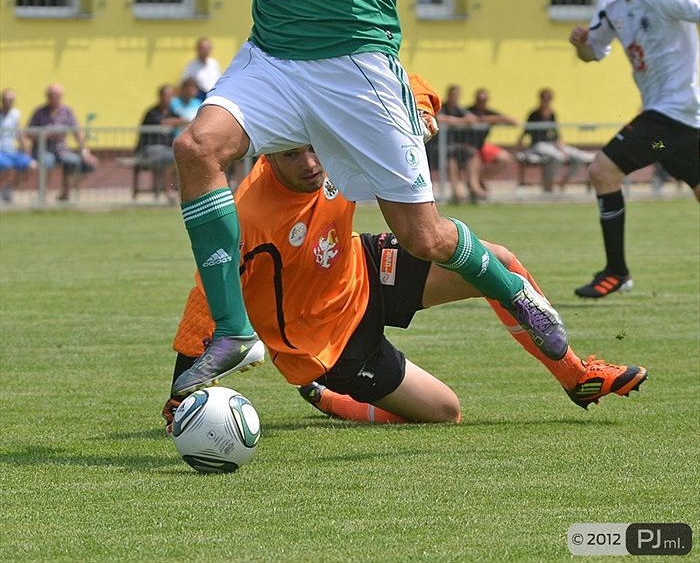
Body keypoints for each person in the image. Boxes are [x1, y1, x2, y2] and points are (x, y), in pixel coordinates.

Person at [169, 0, 569, 399]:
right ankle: (235, 334)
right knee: (195, 147)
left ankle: (515, 294)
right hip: (274, 57)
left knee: (425, 237)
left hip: (354, 65)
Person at [162, 145, 647, 428]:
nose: (312, 163)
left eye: (314, 147)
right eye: (294, 154)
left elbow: (398, 85)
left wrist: (424, 106)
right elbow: (208, 296)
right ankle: (328, 398)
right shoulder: (248, 216)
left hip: (367, 266)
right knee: (444, 412)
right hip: (330, 343)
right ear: (266, 151)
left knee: (500, 263)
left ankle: (577, 376)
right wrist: (182, 391)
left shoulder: (334, 141)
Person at [569, 0, 700, 299]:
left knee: (602, 170)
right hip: (677, 125)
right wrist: (582, 45)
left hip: (672, 116)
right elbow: (593, 53)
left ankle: (616, 271)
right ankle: (617, 271)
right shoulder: (611, 2)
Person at [26, 84, 98, 202]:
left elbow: (77, 132)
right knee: (47, 162)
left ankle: (65, 193)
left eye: (57, 95)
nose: (54, 97)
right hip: (43, 149)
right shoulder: (39, 112)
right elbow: (28, 134)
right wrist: (45, 135)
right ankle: (42, 196)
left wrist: (85, 152)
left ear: (62, 96)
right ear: (47, 96)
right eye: (52, 95)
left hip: (61, 150)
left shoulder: (67, 111)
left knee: (79, 164)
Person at [517, 88, 595, 193]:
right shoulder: (533, 114)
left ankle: (565, 181)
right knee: (558, 157)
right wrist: (520, 144)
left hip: (553, 144)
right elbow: (526, 130)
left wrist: (561, 147)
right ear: (540, 99)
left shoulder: (552, 114)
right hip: (538, 145)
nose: (546, 101)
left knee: (578, 156)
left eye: (549, 98)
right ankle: (549, 183)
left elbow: (556, 133)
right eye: (544, 98)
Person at [463, 88, 518, 193]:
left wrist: (508, 119)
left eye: (483, 100)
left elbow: (510, 121)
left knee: (505, 158)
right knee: (475, 161)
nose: (481, 102)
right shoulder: (468, 111)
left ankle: (482, 179)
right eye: (479, 100)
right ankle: (476, 187)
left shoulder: (489, 112)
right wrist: (499, 119)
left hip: (482, 145)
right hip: (469, 146)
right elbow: (480, 119)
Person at [135, 84, 184, 203]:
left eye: (170, 96)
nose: (167, 98)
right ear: (160, 96)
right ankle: (169, 191)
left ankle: (181, 191)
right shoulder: (152, 112)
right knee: (170, 158)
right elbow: (163, 122)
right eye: (165, 95)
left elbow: (178, 120)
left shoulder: (172, 112)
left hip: (166, 149)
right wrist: (185, 121)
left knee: (179, 157)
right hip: (148, 150)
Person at [436, 84, 480, 202]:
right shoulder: (442, 107)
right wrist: (461, 121)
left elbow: (472, 118)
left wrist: (465, 120)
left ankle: (473, 184)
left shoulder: (459, 109)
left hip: (456, 146)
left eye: (457, 95)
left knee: (471, 153)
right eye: (453, 95)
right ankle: (456, 188)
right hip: (438, 147)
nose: (455, 97)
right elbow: (440, 119)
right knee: (451, 157)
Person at [0, 88, 36, 203]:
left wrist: (26, 152)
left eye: (11, 99)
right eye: (6, 99)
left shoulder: (15, 114)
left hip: (11, 150)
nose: (9, 101)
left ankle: (8, 187)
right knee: (8, 166)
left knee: (32, 166)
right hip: (1, 151)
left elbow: (20, 134)